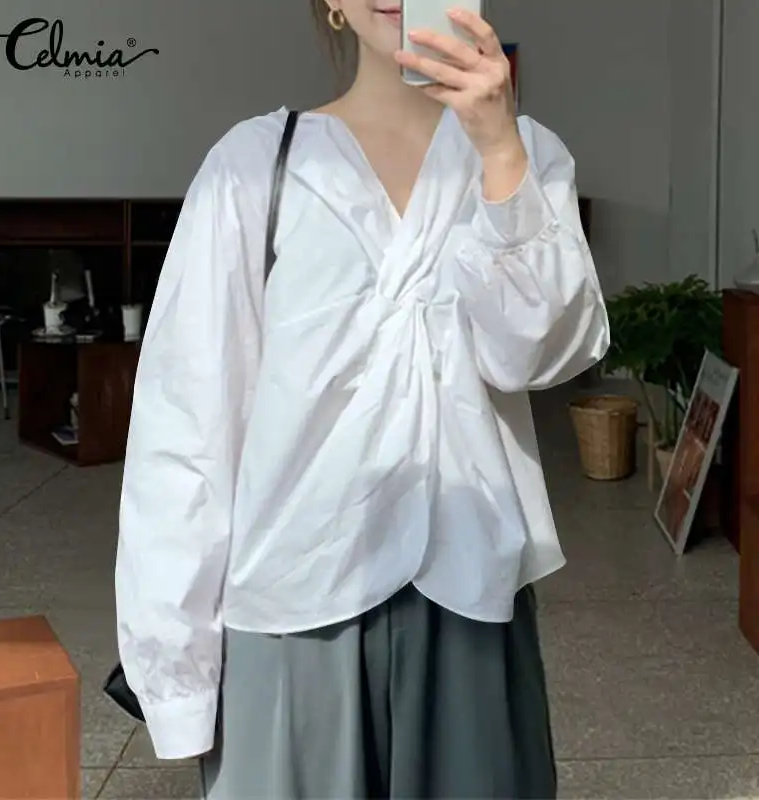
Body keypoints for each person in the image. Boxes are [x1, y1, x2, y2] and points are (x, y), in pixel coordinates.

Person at [114, 1, 610, 797]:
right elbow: (186, 423)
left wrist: (497, 148)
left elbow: (540, 355)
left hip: (469, 594)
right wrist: (175, 668)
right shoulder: (254, 166)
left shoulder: (526, 153)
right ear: (333, 5)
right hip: (291, 601)